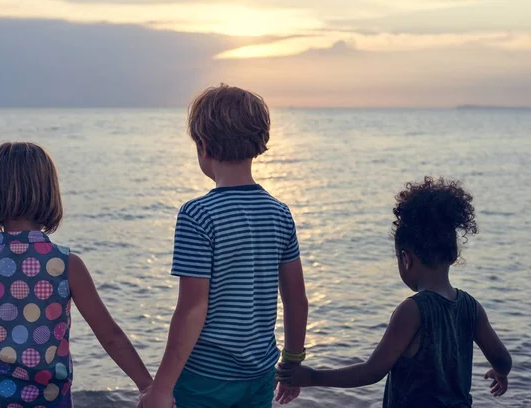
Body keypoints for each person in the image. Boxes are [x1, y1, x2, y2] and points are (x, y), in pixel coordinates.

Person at [139, 84, 309, 408]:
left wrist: (161, 387)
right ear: (258, 143)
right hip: (259, 374)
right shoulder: (280, 213)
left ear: (203, 147)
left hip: (205, 378)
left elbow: (192, 309)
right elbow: (296, 300)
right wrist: (292, 362)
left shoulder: (198, 215)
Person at [277, 177, 512, 407]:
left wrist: (313, 377)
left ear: (406, 259)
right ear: (452, 255)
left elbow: (371, 372)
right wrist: (500, 373)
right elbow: (503, 359)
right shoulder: (472, 307)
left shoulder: (413, 310)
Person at [0, 142, 153, 407]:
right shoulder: (65, 264)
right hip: (50, 400)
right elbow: (109, 335)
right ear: (48, 192)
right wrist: (148, 385)